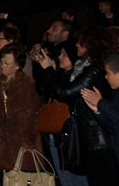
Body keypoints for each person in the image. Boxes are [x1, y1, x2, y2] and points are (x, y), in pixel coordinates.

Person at [37, 25, 119, 185]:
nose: (76, 45)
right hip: (85, 134)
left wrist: (49, 70)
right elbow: (55, 89)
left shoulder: (95, 69)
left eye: (80, 42)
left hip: (97, 139)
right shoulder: (83, 68)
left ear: (91, 44)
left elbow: (65, 93)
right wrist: (52, 72)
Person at [0, 44, 43, 180]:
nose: (3, 66)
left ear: (18, 65)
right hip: (2, 138)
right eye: (2, 62)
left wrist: (28, 141)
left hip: (22, 138)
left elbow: (32, 113)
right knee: (6, 176)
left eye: (7, 63)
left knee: (23, 177)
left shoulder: (26, 82)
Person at [81, 51, 119, 170]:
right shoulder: (116, 92)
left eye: (108, 73)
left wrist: (100, 102)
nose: (106, 77)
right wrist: (97, 111)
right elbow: (113, 127)